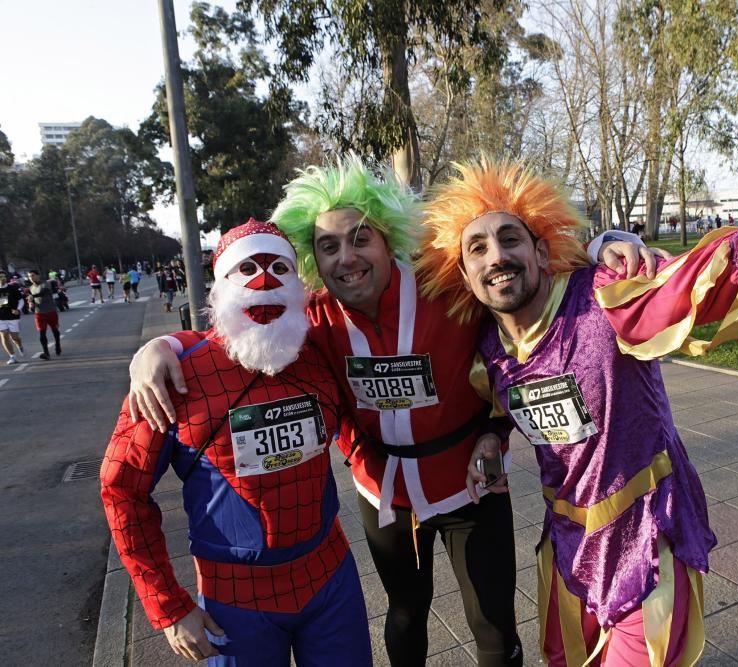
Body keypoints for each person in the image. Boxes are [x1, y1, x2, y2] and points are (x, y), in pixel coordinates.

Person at [415, 44, 738, 666]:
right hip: (566, 552)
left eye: (509, 238)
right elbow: (502, 396)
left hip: (646, 535)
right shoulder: (485, 349)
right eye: (476, 249)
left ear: (541, 246)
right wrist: (493, 435)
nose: (495, 256)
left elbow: (718, 275)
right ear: (462, 273)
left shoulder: (606, 298)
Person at [127, 159, 658, 667]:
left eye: (360, 238)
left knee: (493, 623)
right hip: (383, 492)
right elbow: (242, 329)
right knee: (406, 617)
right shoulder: (313, 318)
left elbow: (519, 282)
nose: (347, 257)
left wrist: (605, 243)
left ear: (386, 240)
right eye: (328, 247)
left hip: (469, 485)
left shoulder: (443, 286)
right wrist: (163, 346)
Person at [101, 220, 371, 665]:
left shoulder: (319, 354)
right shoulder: (175, 374)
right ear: (220, 286)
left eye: (278, 268)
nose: (263, 283)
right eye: (246, 268)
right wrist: (168, 606)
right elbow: (121, 488)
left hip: (330, 579)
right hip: (234, 602)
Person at [26, 269, 61, 360]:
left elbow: (42, 292)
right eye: (29, 276)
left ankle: (57, 345)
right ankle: (46, 353)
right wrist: (30, 304)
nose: (31, 278)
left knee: (55, 330)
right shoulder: (30, 288)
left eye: (33, 275)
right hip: (39, 313)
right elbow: (32, 300)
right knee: (42, 332)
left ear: (38, 275)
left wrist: (32, 296)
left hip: (50, 311)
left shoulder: (46, 284)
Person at [0, 271, 25, 365]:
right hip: (1, 316)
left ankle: (19, 345)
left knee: (15, 337)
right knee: (4, 335)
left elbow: (21, 300)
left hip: (12, 315)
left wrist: (18, 309)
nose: (2, 278)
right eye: (0, 277)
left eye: (3, 276)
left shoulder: (12, 287)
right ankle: (12, 356)